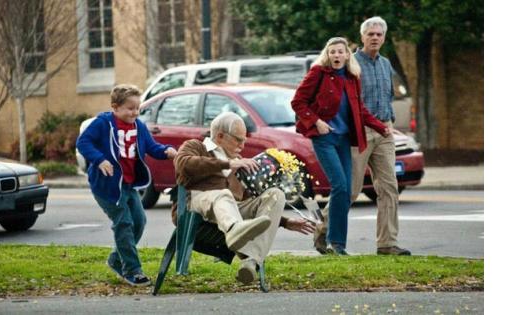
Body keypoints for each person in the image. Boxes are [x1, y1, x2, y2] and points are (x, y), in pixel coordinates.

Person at [174, 112, 315, 285]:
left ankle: (250, 261)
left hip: (231, 211)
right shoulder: (196, 146)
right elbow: (183, 163)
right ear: (219, 136)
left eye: (244, 140)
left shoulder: (239, 162)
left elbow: (249, 202)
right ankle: (234, 230)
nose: (242, 145)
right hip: (196, 207)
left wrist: (284, 222)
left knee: (275, 194)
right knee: (223, 193)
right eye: (238, 140)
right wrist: (227, 164)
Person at [313, 17, 412, 256]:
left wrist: (387, 125)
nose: (375, 37)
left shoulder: (386, 64)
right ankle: (323, 229)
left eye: (379, 34)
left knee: (389, 187)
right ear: (363, 37)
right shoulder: (351, 63)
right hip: (359, 131)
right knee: (351, 189)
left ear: (384, 37)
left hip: (384, 130)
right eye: (371, 34)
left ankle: (387, 243)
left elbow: (388, 97)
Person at [292, 37, 389, 255]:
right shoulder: (318, 73)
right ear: (328, 55)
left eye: (340, 52)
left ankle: (335, 243)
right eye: (332, 52)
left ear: (347, 55)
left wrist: (380, 126)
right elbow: (298, 101)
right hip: (324, 138)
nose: (336, 55)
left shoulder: (352, 78)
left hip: (344, 139)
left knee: (345, 194)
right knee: (340, 187)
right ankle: (335, 244)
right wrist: (317, 122)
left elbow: (359, 109)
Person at [76, 84, 178, 286]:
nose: (134, 112)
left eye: (137, 108)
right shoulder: (103, 124)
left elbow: (152, 147)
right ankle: (132, 271)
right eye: (130, 108)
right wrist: (100, 159)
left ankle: (116, 260)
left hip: (130, 185)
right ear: (115, 107)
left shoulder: (138, 126)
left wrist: (167, 151)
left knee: (139, 222)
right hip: (108, 187)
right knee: (123, 224)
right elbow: (83, 142)